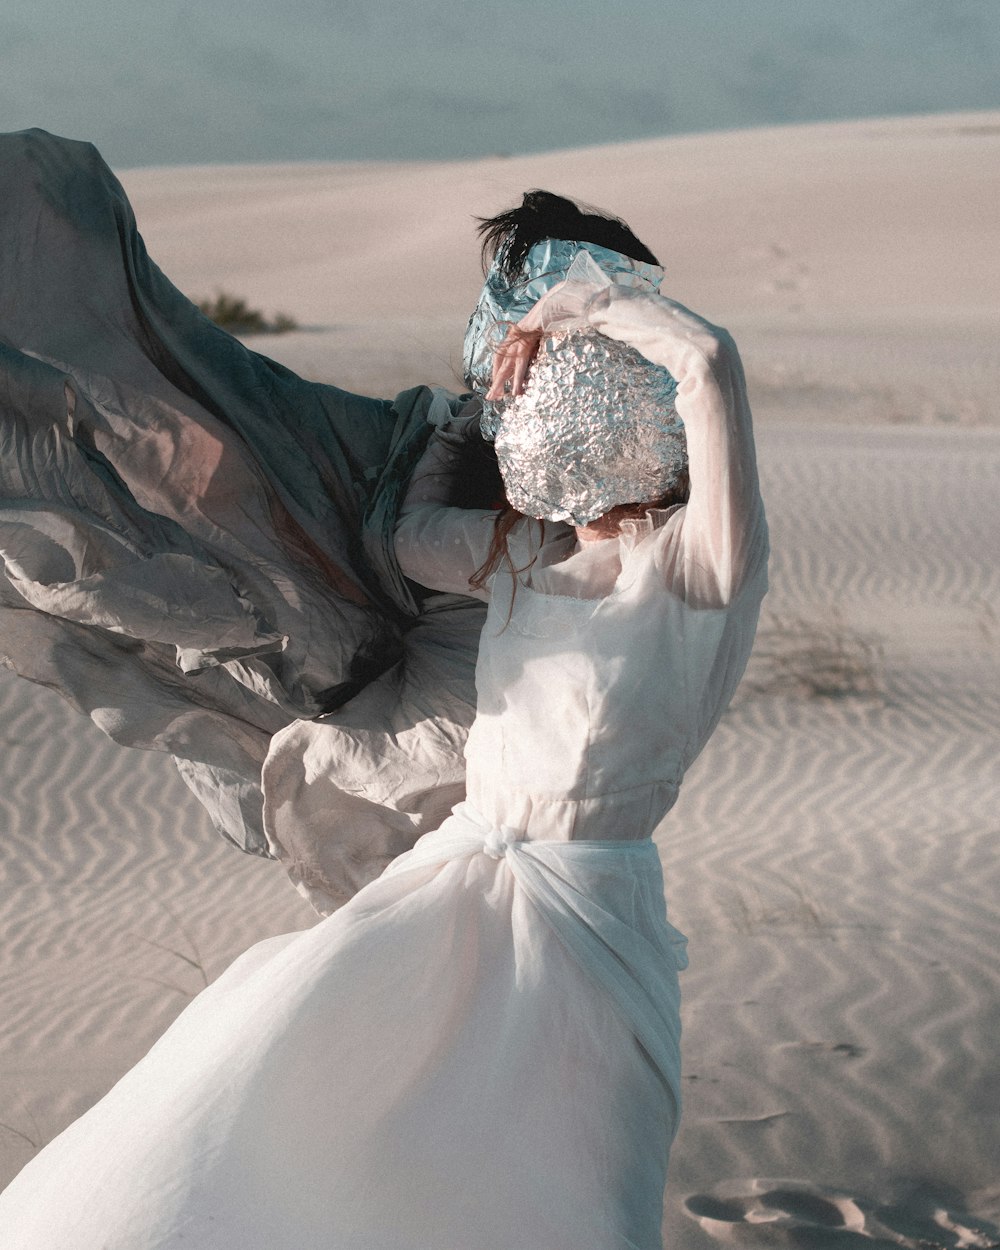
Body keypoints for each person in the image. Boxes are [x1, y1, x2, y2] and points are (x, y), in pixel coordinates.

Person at [0, 164, 767, 1247]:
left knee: (569, 1200)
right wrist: (467, 417)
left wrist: (578, 298)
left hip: (586, 926)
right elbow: (410, 536)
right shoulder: (523, 563)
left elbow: (710, 360)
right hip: (450, 889)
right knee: (249, 1101)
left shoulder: (697, 568)